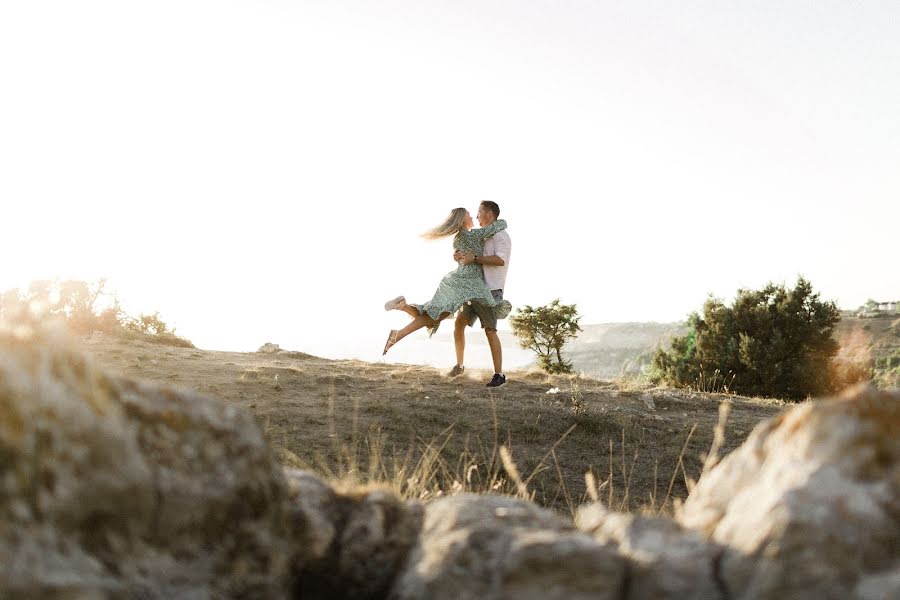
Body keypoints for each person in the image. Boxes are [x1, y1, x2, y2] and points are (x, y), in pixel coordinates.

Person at [382, 207, 511, 358]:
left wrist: (458, 257)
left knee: (434, 317)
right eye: (469, 215)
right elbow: (498, 225)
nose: (473, 217)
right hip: (469, 283)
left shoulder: (458, 238)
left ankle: (403, 307)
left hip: (457, 280)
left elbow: (462, 255)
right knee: (438, 316)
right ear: (462, 220)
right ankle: (398, 333)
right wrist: (501, 219)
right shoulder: (473, 236)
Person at [448, 201, 511, 388]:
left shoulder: (501, 236)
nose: (476, 217)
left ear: (489, 215)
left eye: (479, 212)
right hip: (474, 290)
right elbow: (467, 256)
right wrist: (458, 255)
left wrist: (475, 258)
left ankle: (499, 375)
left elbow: (500, 260)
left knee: (490, 330)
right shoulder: (482, 236)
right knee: (459, 323)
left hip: (490, 291)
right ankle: (459, 366)